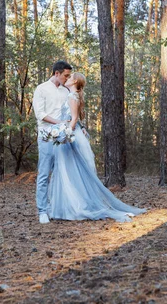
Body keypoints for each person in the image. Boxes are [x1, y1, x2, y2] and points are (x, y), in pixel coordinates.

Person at [48, 72, 146, 222]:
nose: (66, 79)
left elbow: (73, 119)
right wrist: (78, 128)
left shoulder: (72, 96)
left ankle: (76, 207)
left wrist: (66, 134)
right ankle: (69, 206)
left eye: (70, 77)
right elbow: (74, 118)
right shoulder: (73, 96)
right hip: (72, 133)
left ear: (74, 81)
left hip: (70, 136)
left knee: (72, 172)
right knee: (72, 172)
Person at [33, 61, 72, 224]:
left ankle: (56, 207)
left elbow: (70, 112)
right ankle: (42, 210)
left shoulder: (66, 91)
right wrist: (58, 123)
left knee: (60, 172)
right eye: (66, 75)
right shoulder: (41, 89)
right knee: (44, 173)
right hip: (46, 135)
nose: (68, 78)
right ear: (57, 73)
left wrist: (73, 126)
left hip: (63, 136)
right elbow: (40, 114)